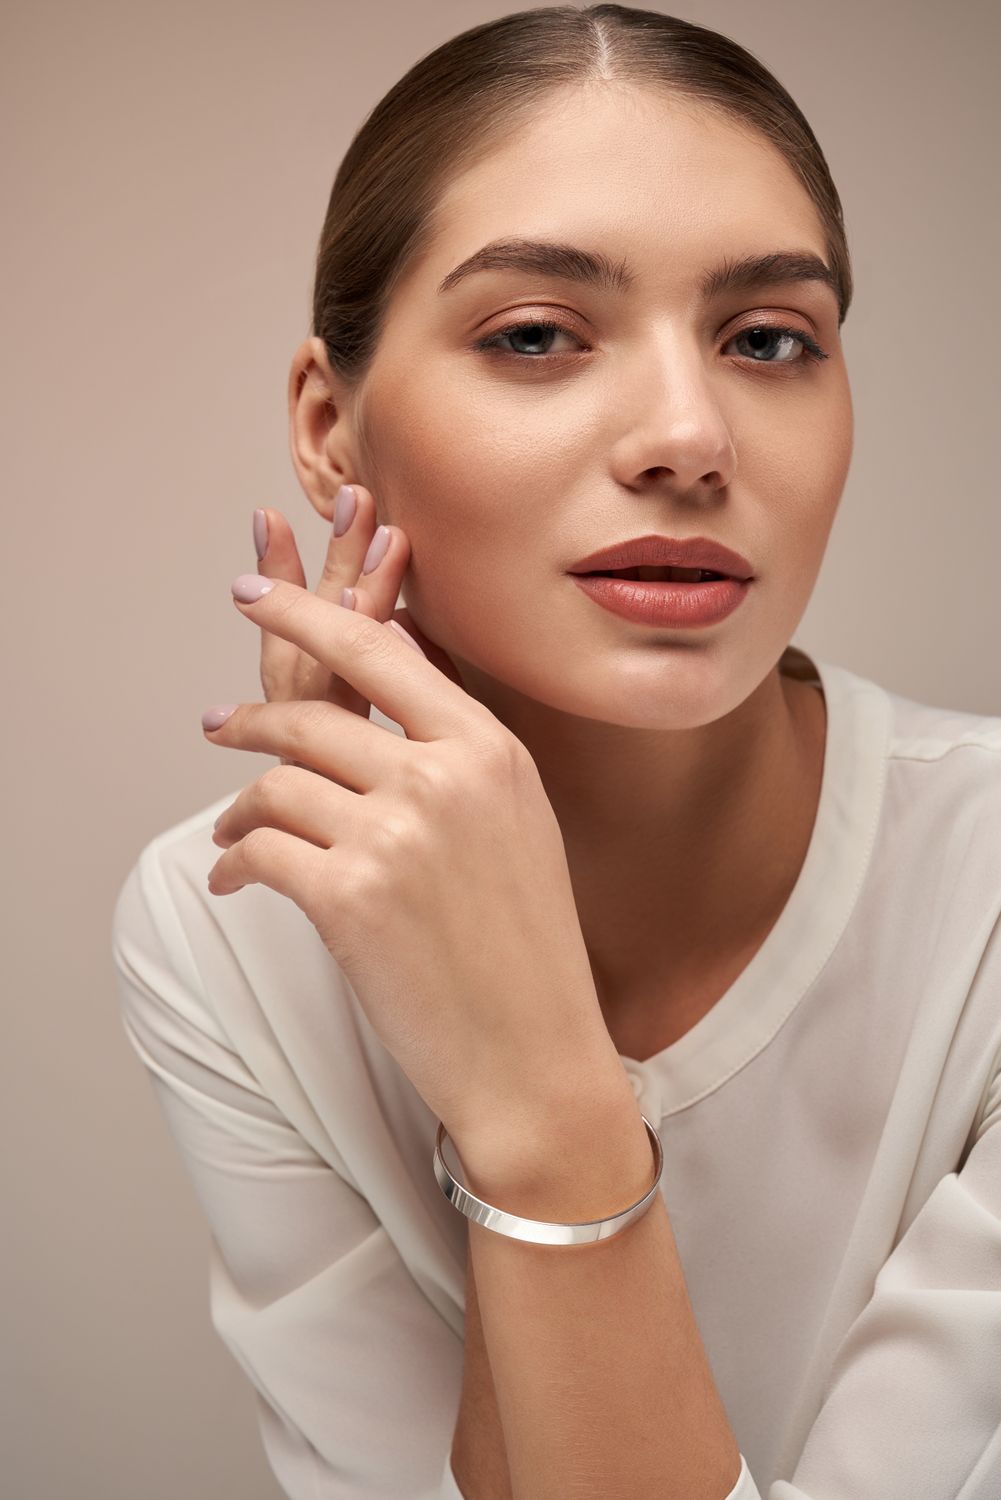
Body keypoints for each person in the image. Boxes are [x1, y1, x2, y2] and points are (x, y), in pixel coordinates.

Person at [110, 6, 1001, 1498]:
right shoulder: (229, 931)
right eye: (536, 334)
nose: (686, 435)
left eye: (768, 338)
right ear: (330, 428)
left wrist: (538, 1105)